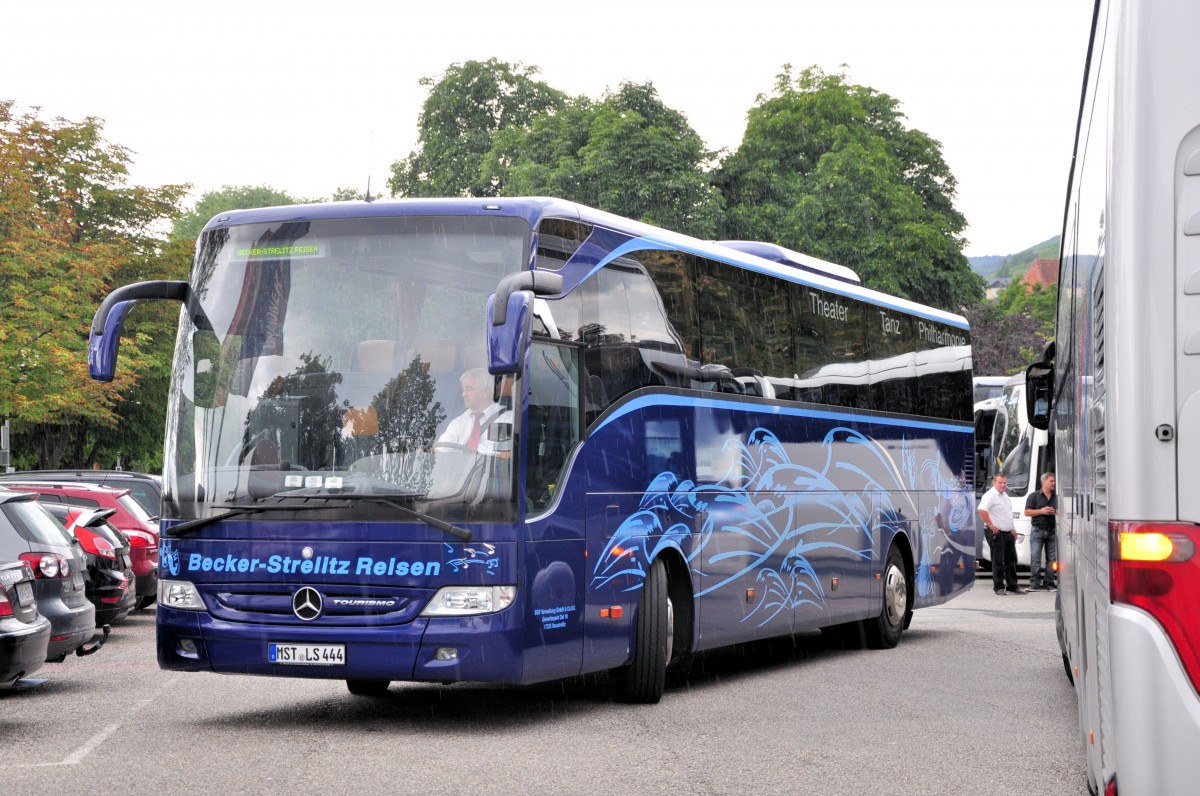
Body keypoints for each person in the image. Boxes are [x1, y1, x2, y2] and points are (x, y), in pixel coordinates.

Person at [978, 474, 1028, 595]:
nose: (1003, 485)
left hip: (1008, 532)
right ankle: (999, 587)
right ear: (994, 482)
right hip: (996, 532)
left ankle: (1012, 586)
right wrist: (990, 525)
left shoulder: (1005, 495)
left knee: (1011, 560)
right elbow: (981, 510)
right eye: (1000, 483)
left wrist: (1013, 529)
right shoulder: (990, 495)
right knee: (998, 560)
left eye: (1005, 483)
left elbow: (1007, 515)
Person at [436, 367, 504, 454]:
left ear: (486, 392)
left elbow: (507, 456)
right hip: (463, 468)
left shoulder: (506, 419)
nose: (463, 394)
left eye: (469, 389)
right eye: (463, 389)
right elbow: (439, 451)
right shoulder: (458, 423)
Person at [1024, 472, 1058, 591]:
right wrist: (1042, 511)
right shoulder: (1033, 496)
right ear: (1043, 482)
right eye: (1051, 481)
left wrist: (1056, 512)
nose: (1054, 483)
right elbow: (1027, 512)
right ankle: (1034, 584)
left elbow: (1063, 512)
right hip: (1037, 531)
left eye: (1054, 481)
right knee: (1035, 558)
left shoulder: (1057, 497)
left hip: (1052, 531)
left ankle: (1049, 583)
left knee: (1052, 559)